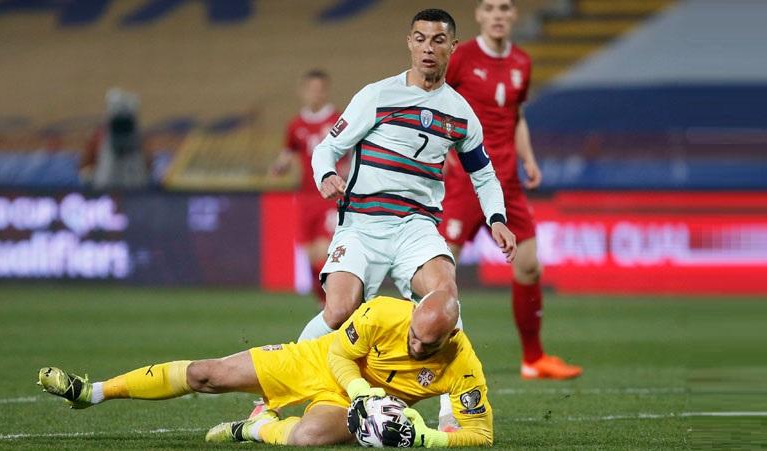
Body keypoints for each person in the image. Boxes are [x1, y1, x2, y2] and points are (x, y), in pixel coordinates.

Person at [297, 8, 516, 344]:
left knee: (446, 300)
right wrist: (326, 175)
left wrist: (497, 218)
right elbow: (326, 148)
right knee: (339, 310)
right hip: (362, 224)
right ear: (410, 44)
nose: (428, 47)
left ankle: (454, 397)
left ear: (453, 46)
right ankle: (277, 392)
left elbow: (483, 174)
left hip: (416, 227)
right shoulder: (377, 96)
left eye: (438, 40)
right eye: (421, 39)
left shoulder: (460, 113)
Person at [36, 291, 494, 447]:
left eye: (425, 343)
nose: (415, 343)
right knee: (206, 374)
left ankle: (254, 428)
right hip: (320, 362)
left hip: (351, 405)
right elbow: (337, 355)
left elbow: (481, 435)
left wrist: (429, 438)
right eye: (413, 333)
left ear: (450, 337)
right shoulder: (384, 312)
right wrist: (362, 391)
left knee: (307, 439)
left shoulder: (463, 361)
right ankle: (90, 391)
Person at [437, 0, 582, 381]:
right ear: (479, 16)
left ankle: (533, 359)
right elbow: (434, 102)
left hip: (507, 183)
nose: (498, 14)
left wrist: (528, 158)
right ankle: (422, 352)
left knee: (530, 265)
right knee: (437, 270)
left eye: (505, 7)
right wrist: (443, 148)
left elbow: (515, 116)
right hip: (466, 182)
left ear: (513, 16)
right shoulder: (462, 57)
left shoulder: (521, 62)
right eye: (490, 8)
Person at [269, 70, 348, 307]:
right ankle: (324, 304)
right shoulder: (295, 125)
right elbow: (289, 151)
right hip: (306, 198)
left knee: (325, 252)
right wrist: (279, 166)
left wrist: (347, 170)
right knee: (311, 256)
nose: (315, 94)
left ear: (326, 91)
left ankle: (336, 303)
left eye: (320, 89)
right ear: (303, 92)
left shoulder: (338, 119)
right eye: (311, 89)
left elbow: (352, 150)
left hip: (330, 196)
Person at [80, 88, 149, 190]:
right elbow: (85, 165)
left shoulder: (138, 138)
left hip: (133, 183)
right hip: (106, 184)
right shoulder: (99, 136)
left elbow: (147, 165)